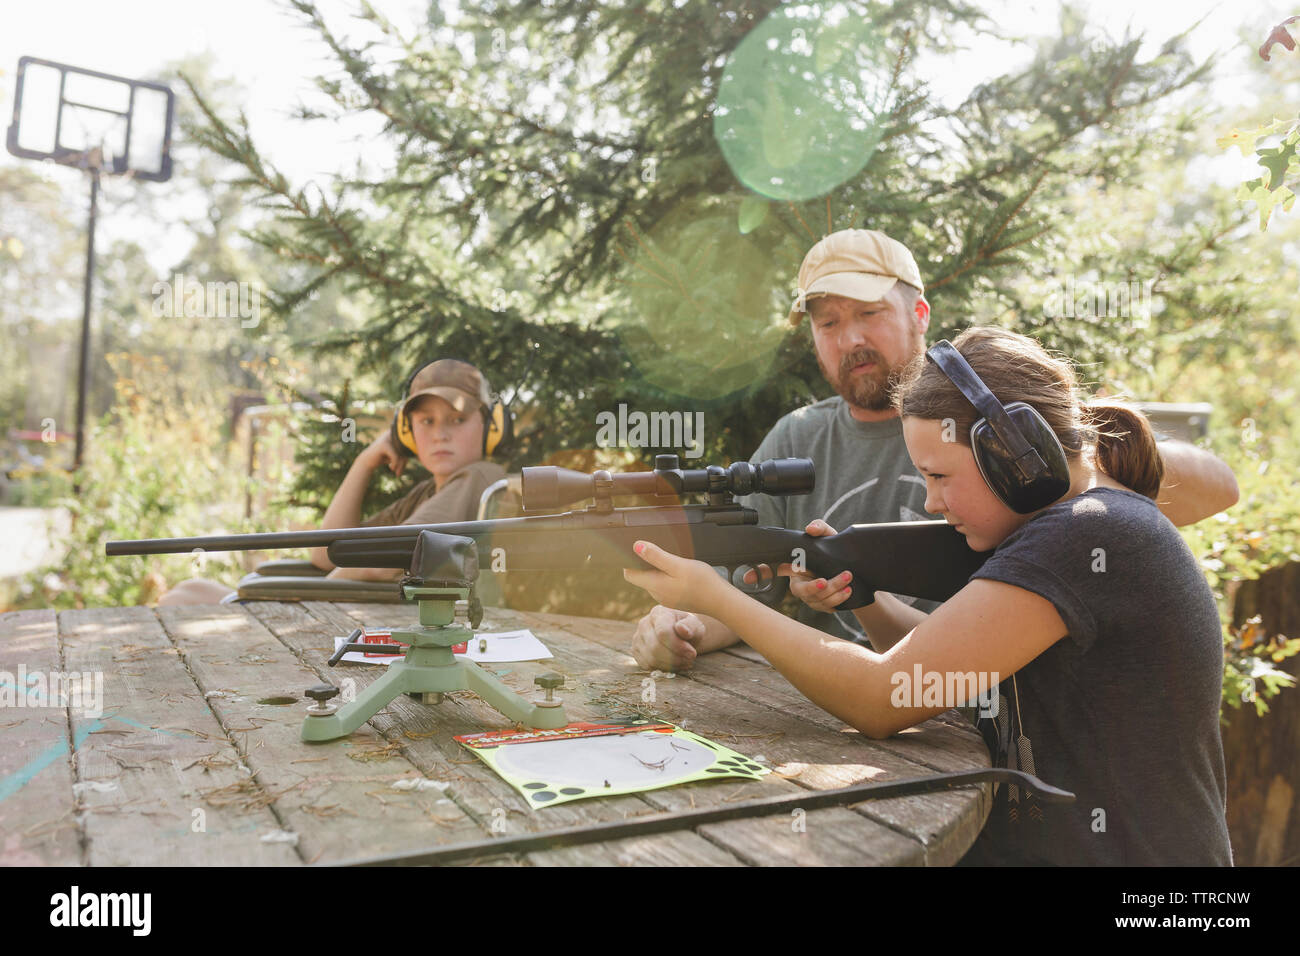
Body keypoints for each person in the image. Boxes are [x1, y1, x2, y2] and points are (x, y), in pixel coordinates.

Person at [624, 327, 1233, 865]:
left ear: (1015, 456)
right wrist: (861, 595)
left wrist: (716, 596)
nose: (931, 502)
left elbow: (883, 699)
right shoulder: (1065, 526)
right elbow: (936, 681)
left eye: (940, 475)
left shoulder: (1087, 532)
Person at [631, 229, 1239, 670]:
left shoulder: (995, 424)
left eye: (870, 313)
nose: (852, 339)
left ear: (919, 313)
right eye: (829, 323)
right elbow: (746, 584)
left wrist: (1049, 460)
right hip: (849, 711)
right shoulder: (796, 438)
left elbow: (1216, 489)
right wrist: (685, 626)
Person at [157, 359, 506, 604]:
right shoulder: (430, 492)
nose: (441, 434)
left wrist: (289, 606)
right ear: (406, 431)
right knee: (191, 591)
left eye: (457, 419)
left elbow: (381, 566)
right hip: (352, 617)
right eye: (426, 421)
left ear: (491, 427)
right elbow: (328, 554)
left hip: (367, 626)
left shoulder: (478, 478)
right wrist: (364, 462)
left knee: (186, 601)